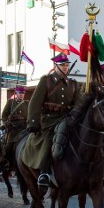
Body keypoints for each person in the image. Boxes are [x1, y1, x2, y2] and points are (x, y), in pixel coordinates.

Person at [23, 53, 81, 188]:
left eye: (67, 65)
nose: (66, 68)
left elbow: (78, 104)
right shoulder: (46, 81)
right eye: (63, 65)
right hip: (49, 121)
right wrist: (33, 122)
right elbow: (35, 103)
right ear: (56, 66)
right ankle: (44, 172)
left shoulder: (73, 84)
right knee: (50, 139)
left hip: (67, 119)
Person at [1, 85, 28, 168]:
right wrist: (6, 123)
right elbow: (4, 115)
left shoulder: (27, 103)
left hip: (24, 129)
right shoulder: (10, 102)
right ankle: (5, 163)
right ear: (16, 93)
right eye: (20, 93)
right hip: (13, 131)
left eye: (23, 93)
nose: (21, 95)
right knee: (8, 148)